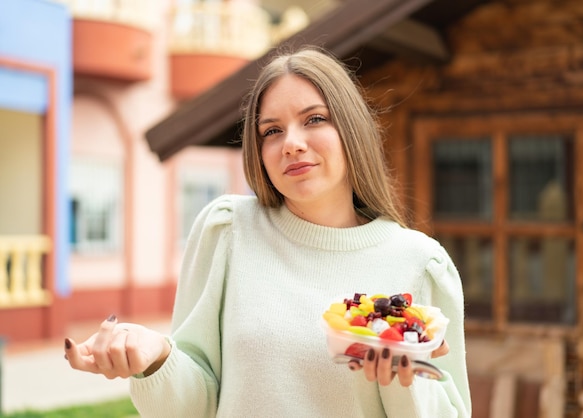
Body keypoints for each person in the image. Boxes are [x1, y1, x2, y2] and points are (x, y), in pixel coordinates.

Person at [65, 46, 472, 417]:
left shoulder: (420, 263)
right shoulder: (228, 231)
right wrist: (157, 357)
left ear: (351, 129)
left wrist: (404, 383)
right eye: (271, 131)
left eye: (314, 119)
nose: (291, 144)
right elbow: (196, 406)